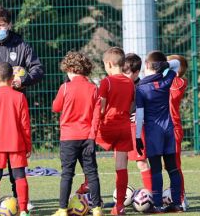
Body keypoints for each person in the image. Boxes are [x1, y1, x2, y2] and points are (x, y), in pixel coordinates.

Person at [0, 5, 44, 211]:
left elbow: (38, 69)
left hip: (15, 106)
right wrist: (0, 85)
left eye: (1, 25)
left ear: (9, 25)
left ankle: (19, 198)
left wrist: (23, 80)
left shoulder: (21, 46)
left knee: (17, 163)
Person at [51, 52, 103, 216]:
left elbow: (56, 107)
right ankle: (97, 209)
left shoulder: (65, 87)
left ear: (72, 69)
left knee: (67, 174)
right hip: (88, 137)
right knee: (92, 173)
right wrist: (92, 135)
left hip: (68, 138)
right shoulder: (93, 88)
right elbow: (97, 115)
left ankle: (62, 209)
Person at [135, 51, 183, 213]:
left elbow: (139, 115)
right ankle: (176, 203)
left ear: (147, 66)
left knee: (155, 169)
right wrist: (165, 66)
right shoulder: (166, 80)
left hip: (153, 133)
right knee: (172, 168)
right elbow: (177, 64)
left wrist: (137, 137)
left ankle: (157, 205)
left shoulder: (141, 88)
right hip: (168, 130)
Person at [0, 62, 31, 216]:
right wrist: (28, 146)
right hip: (16, 144)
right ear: (12, 78)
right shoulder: (20, 97)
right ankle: (23, 210)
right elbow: (25, 125)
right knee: (20, 176)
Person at [95, 47, 135, 215]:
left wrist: (97, 121)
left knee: (84, 149)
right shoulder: (130, 82)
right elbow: (132, 104)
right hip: (125, 127)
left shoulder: (107, 82)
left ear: (109, 64)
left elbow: (101, 106)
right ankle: (119, 206)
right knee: (121, 167)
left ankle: (85, 186)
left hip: (108, 127)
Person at [123, 54, 152, 192]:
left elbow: (149, 106)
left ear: (136, 72)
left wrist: (142, 115)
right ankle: (120, 198)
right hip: (122, 128)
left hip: (136, 128)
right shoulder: (120, 85)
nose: (124, 75)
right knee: (121, 164)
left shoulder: (142, 87)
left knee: (141, 162)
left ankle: (151, 195)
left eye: (127, 72)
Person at [167, 54, 189, 210]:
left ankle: (181, 198)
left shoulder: (179, 82)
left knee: (174, 165)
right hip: (158, 129)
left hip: (173, 128)